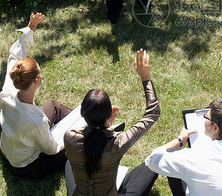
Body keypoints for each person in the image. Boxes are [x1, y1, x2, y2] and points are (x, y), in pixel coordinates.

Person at [64, 49, 160, 196]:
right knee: (152, 165)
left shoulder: (69, 138)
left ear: (83, 113)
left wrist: (106, 122)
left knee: (68, 164)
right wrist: (145, 77)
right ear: (109, 115)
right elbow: (152, 113)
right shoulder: (117, 143)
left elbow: (87, 133)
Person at [145, 98, 222, 196]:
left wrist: (179, 139)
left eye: (206, 117)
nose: (204, 119)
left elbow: (152, 160)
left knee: (173, 152)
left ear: (215, 128)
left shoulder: (191, 158)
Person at [0, 13, 72, 178]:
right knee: (76, 147)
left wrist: (30, 27)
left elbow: (15, 56)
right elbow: (51, 149)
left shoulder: (8, 89)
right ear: (37, 81)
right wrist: (71, 134)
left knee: (53, 105)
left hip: (7, 149)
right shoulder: (35, 121)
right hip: (24, 166)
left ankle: (80, 117)